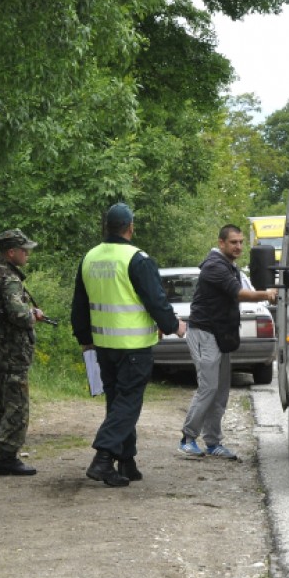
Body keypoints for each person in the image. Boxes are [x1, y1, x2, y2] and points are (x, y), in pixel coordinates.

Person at [71, 203, 186, 487]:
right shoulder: (137, 259)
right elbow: (155, 300)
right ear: (130, 227)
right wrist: (174, 325)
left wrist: (85, 338)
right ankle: (103, 458)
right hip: (133, 346)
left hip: (103, 345)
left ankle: (126, 461)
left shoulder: (89, 258)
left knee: (117, 401)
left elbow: (79, 306)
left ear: (107, 227)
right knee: (128, 402)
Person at [178, 224, 277, 460]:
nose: (239, 246)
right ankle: (188, 438)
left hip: (220, 335)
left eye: (241, 242)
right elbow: (240, 293)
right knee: (209, 387)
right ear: (221, 243)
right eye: (234, 242)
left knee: (221, 391)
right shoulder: (214, 266)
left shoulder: (230, 267)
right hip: (204, 333)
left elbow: (243, 289)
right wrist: (268, 293)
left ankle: (212, 443)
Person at [0, 228, 45, 476]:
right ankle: (7, 456)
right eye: (24, 250)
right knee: (16, 403)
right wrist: (33, 315)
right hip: (11, 351)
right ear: (11, 252)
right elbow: (18, 314)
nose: (27, 254)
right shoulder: (10, 279)